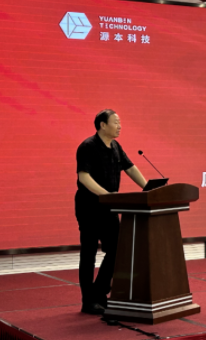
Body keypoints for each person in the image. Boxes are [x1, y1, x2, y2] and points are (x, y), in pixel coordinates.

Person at [75, 109, 147, 315]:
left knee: (117, 250)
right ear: (102, 125)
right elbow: (84, 177)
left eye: (120, 122)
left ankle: (99, 293)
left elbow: (130, 168)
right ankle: (88, 301)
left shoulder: (116, 146)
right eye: (115, 122)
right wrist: (106, 195)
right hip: (89, 208)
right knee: (89, 254)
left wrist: (148, 188)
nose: (119, 126)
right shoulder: (88, 146)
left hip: (110, 207)